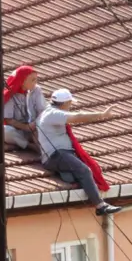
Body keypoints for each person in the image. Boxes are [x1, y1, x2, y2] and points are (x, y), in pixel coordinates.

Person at [37, 88, 121, 216]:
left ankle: (69, 175)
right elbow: (77, 117)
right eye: (70, 103)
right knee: (84, 170)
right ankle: (100, 206)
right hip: (57, 155)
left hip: (60, 155)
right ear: (65, 103)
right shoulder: (53, 114)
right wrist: (102, 115)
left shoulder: (48, 112)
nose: (70, 106)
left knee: (76, 175)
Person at [3, 65, 48, 151]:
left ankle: (43, 149)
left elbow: (42, 111)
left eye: (36, 79)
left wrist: (35, 124)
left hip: (36, 127)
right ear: (22, 81)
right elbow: (8, 120)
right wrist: (26, 127)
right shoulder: (10, 94)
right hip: (20, 131)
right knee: (4, 131)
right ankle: (29, 146)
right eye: (32, 80)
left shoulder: (36, 90)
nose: (35, 82)